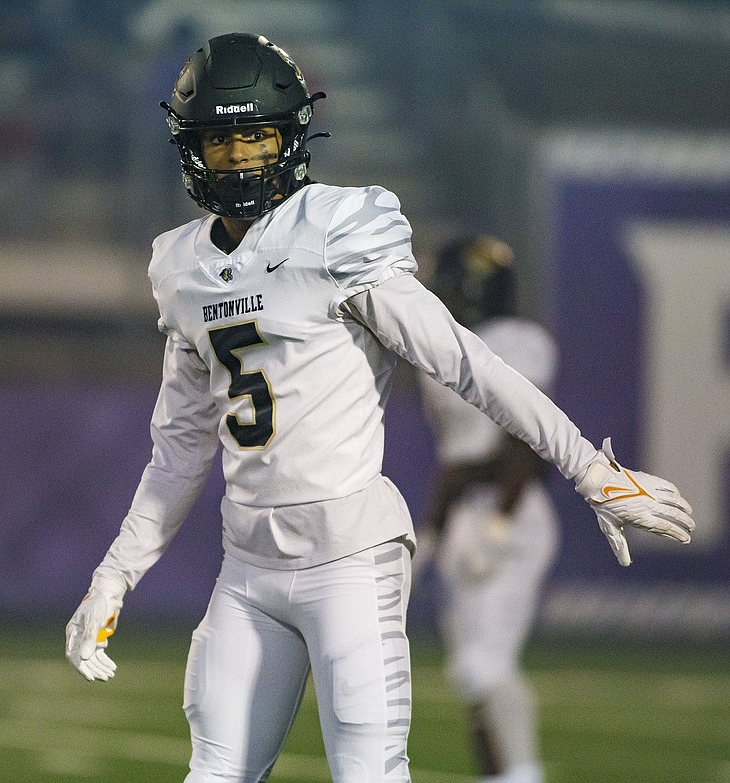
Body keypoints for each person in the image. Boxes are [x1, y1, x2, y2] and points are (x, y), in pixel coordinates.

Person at [64, 32, 694, 783]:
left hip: (349, 562)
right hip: (247, 568)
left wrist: (592, 471)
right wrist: (115, 573)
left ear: (291, 138)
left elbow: (467, 361)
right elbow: (177, 450)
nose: (238, 160)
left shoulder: (333, 233)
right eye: (221, 143)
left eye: (255, 139)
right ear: (191, 148)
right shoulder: (182, 269)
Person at [415, 235, 559, 783]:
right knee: (467, 676)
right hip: (468, 519)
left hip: (510, 514)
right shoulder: (438, 355)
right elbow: (457, 462)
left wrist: (500, 523)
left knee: (485, 666)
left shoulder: (517, 341)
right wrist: (430, 536)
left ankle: (523, 775)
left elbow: (523, 442)